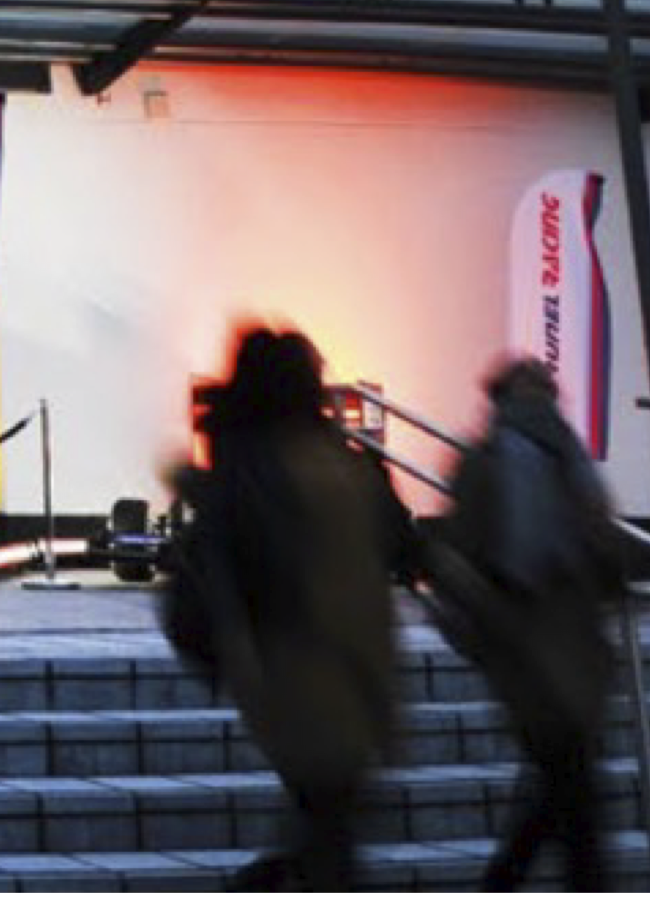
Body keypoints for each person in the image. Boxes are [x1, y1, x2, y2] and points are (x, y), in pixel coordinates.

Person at [173, 325, 407, 891]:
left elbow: (212, 583)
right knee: (329, 837)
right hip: (353, 674)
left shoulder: (247, 470)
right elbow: (402, 545)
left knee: (322, 831)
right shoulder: (348, 466)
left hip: (289, 680)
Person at [444, 359, 621, 891]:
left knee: (562, 783)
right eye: (532, 390)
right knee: (572, 785)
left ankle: (505, 880)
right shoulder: (523, 461)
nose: (541, 400)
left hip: (555, 648)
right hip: (532, 649)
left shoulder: (558, 459)